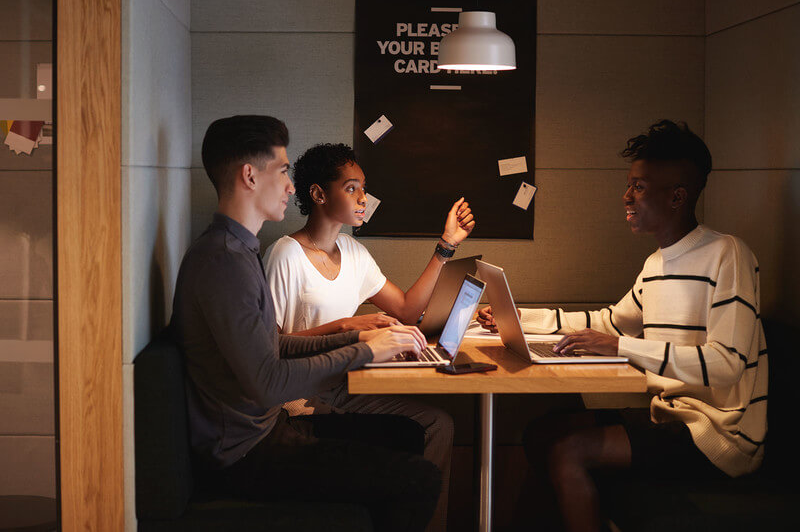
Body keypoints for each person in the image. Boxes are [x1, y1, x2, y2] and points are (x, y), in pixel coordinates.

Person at [477, 120, 768, 532]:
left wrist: (619, 347)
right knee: (542, 432)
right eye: (629, 185)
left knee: (567, 451)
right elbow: (610, 322)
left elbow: (726, 364)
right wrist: (521, 318)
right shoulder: (657, 263)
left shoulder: (728, 254)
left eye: (639, 187)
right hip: (669, 415)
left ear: (677, 196)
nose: (626, 197)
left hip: (717, 434)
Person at [171, 115, 441, 532]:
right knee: (419, 479)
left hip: (265, 430)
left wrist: (358, 336)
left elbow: (274, 345)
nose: (290, 186)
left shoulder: (238, 251)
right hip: (245, 453)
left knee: (407, 435)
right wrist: (365, 350)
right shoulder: (224, 262)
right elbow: (269, 382)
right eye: (282, 171)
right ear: (249, 176)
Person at [263, 142, 475, 532]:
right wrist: (348, 326)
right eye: (352, 188)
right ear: (318, 194)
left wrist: (447, 246)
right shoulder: (284, 255)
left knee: (439, 424)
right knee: (419, 432)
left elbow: (406, 310)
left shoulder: (353, 251)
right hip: (300, 398)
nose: (364, 198)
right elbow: (270, 346)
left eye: (364, 188)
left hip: (346, 386)